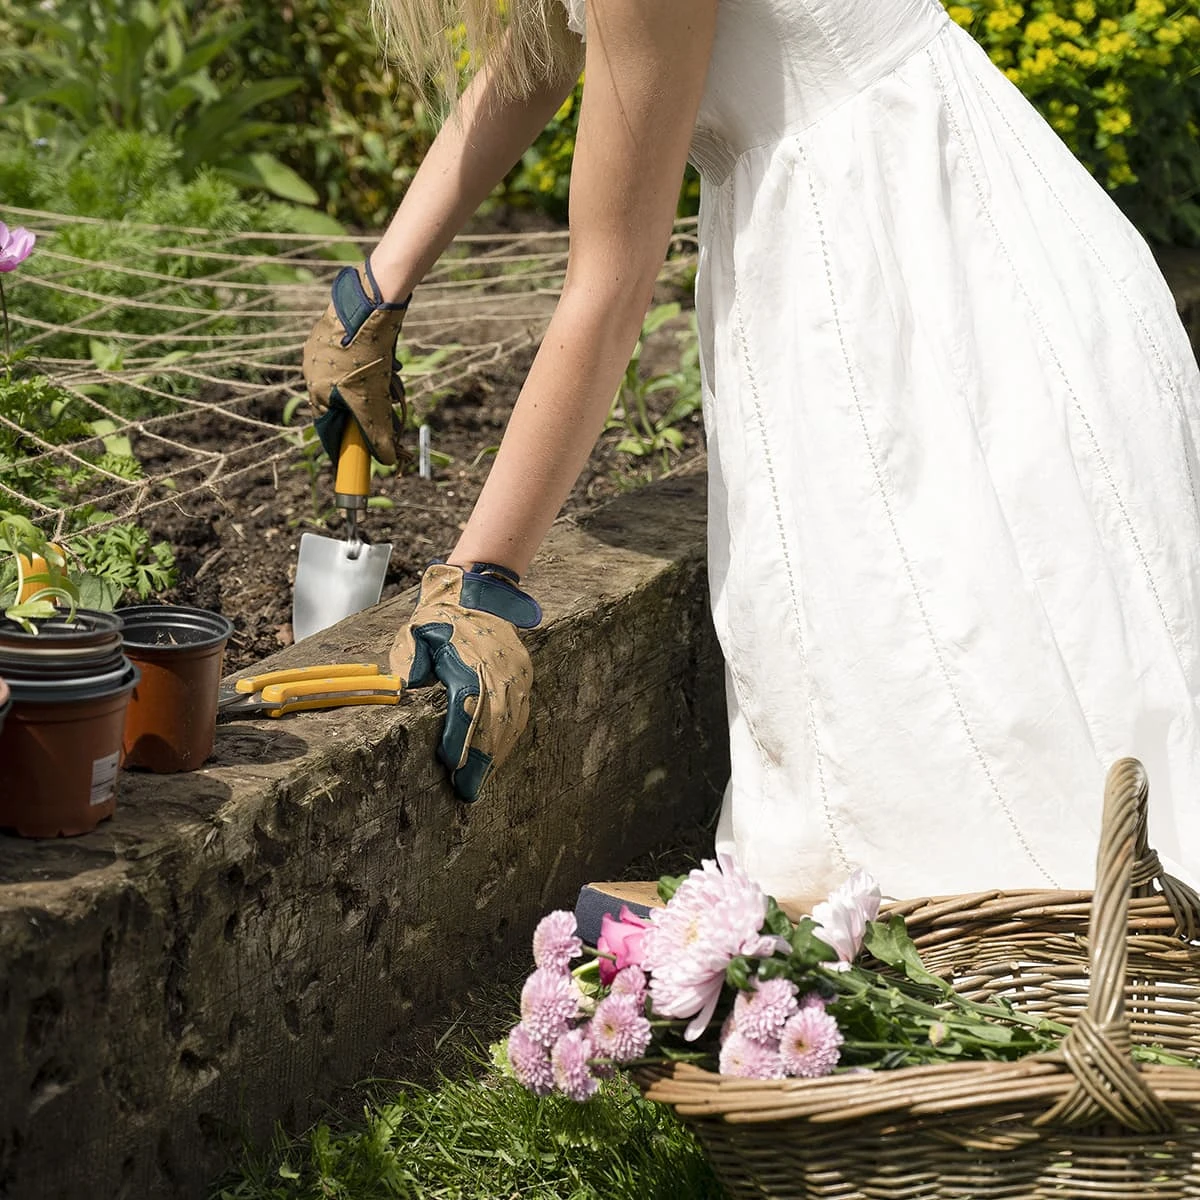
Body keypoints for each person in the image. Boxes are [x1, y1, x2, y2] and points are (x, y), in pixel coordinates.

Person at [302, 0, 1200, 910]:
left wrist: (480, 579)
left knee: (990, 729)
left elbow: (609, 284)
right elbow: (549, 44)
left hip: (923, 293)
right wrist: (376, 286)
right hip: (923, 230)